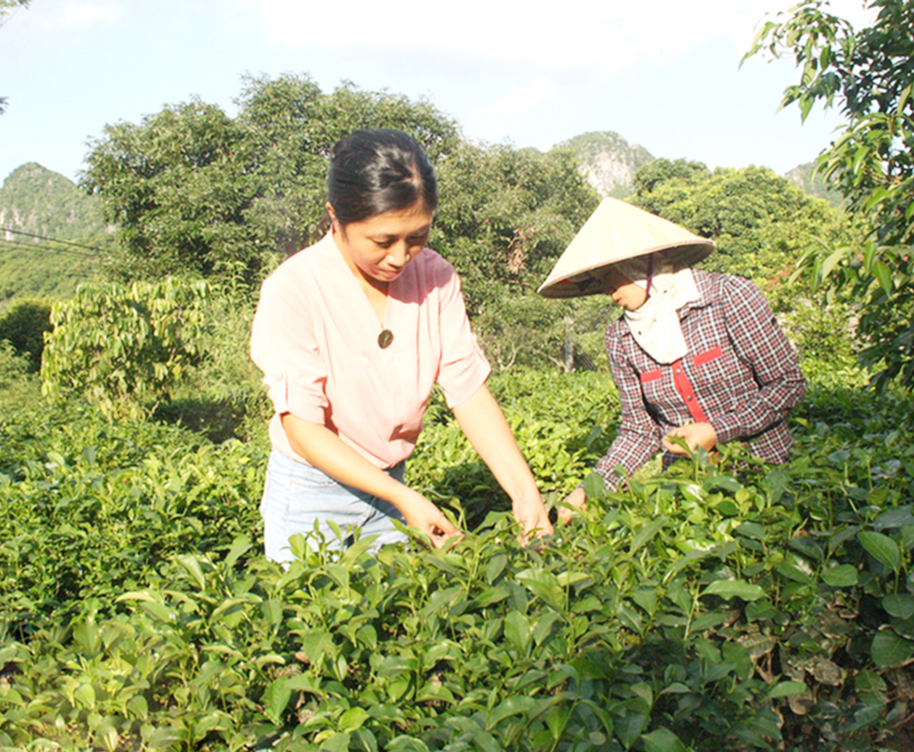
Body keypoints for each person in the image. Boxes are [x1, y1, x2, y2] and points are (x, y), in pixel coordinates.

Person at [250, 128, 553, 562]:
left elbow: (467, 391)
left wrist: (525, 494)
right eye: (383, 241)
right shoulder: (294, 290)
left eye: (417, 237)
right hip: (313, 494)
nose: (400, 257)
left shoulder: (435, 277)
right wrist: (404, 498)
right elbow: (303, 429)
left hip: (392, 482)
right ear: (336, 217)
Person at [537, 197, 806, 519]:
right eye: (601, 282)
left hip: (765, 479)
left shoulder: (728, 298)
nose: (608, 291)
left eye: (612, 277)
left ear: (642, 266)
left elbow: (787, 384)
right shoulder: (621, 338)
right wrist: (590, 489)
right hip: (689, 493)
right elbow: (640, 430)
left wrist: (717, 430)